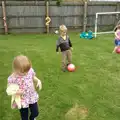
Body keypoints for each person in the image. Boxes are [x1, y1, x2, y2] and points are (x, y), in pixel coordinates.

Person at [6, 55, 42, 120]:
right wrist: (17, 92)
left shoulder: (29, 70)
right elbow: (8, 89)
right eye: (23, 72)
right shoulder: (13, 78)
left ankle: (32, 118)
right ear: (16, 69)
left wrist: (37, 80)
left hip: (31, 96)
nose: (26, 73)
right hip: (22, 99)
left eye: (27, 71)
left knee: (35, 112)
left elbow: (32, 76)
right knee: (24, 117)